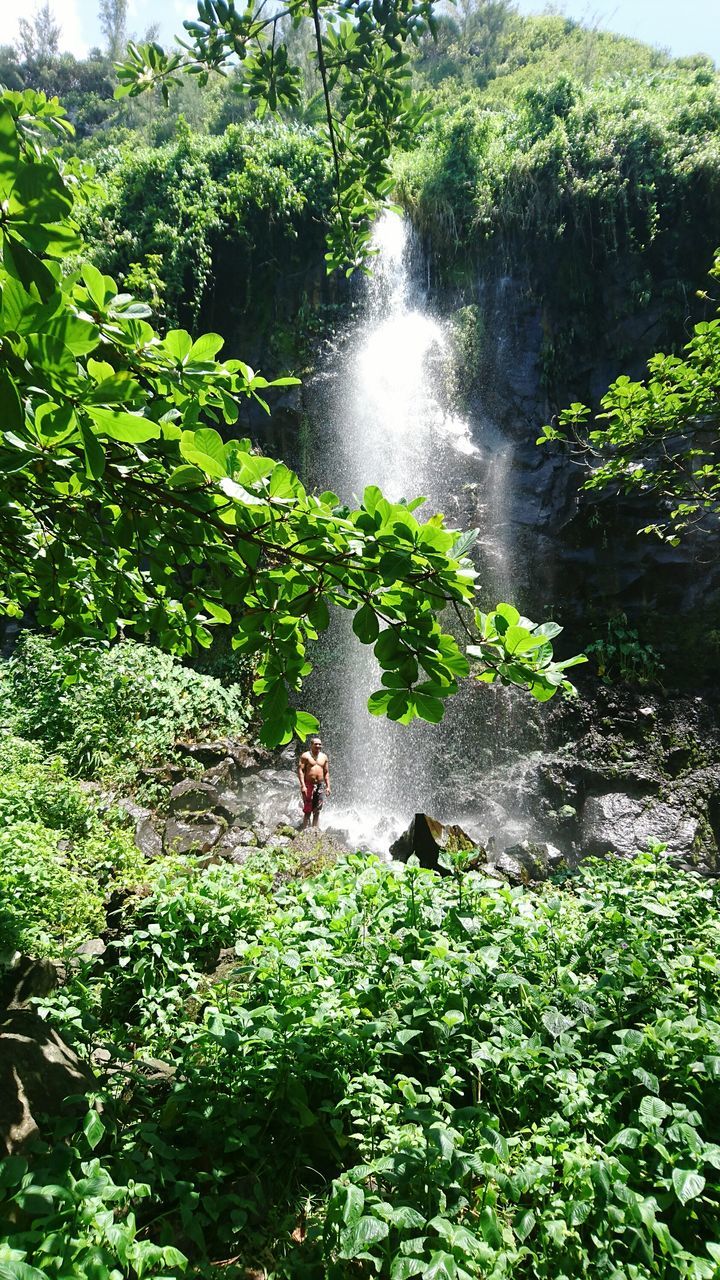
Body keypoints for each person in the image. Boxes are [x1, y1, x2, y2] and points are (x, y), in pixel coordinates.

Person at [298, 736, 330, 829]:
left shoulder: (324, 757)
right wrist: (303, 786)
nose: (318, 745)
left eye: (320, 744)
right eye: (316, 744)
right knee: (308, 810)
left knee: (317, 810)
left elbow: (326, 772)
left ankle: (315, 832)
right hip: (308, 785)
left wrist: (328, 787)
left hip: (320, 785)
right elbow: (300, 770)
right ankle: (304, 832)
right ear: (311, 745)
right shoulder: (305, 756)